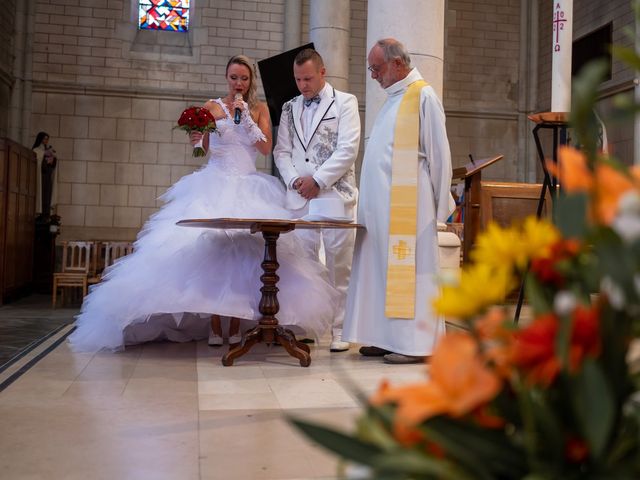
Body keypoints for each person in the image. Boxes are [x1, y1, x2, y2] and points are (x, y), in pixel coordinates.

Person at [69, 55, 340, 352]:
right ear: (226, 78)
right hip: (214, 183)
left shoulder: (260, 108)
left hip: (250, 185)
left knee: (246, 255)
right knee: (211, 252)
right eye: (234, 77)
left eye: (244, 78)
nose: (239, 83)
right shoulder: (211, 108)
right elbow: (203, 149)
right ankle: (214, 323)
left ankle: (238, 323)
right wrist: (197, 139)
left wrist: (245, 117)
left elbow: (265, 149)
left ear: (251, 81)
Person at [342, 38, 456, 364]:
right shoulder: (393, 99)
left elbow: (439, 156)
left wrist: (438, 210)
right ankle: (384, 336)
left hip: (410, 212)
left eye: (376, 68)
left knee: (410, 276)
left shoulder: (423, 96)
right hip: (380, 210)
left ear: (396, 63)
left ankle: (414, 344)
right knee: (379, 272)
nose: (373, 75)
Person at [273, 48, 361, 353]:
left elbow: (348, 149)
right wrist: (294, 179)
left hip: (334, 195)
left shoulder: (346, 102)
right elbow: (281, 152)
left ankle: (340, 329)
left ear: (322, 72)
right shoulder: (288, 108)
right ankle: (310, 326)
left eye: (308, 78)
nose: (303, 85)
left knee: (339, 266)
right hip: (300, 198)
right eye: (298, 79)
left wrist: (318, 180)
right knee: (306, 265)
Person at [32, 131, 58, 218]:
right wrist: (45, 158)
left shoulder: (49, 150)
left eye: (47, 139)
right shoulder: (36, 150)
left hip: (47, 176)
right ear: (40, 139)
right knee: (41, 195)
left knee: (48, 195)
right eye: (45, 139)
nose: (46, 141)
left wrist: (53, 159)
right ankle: (40, 215)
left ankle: (46, 215)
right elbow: (38, 162)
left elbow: (53, 162)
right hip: (41, 177)